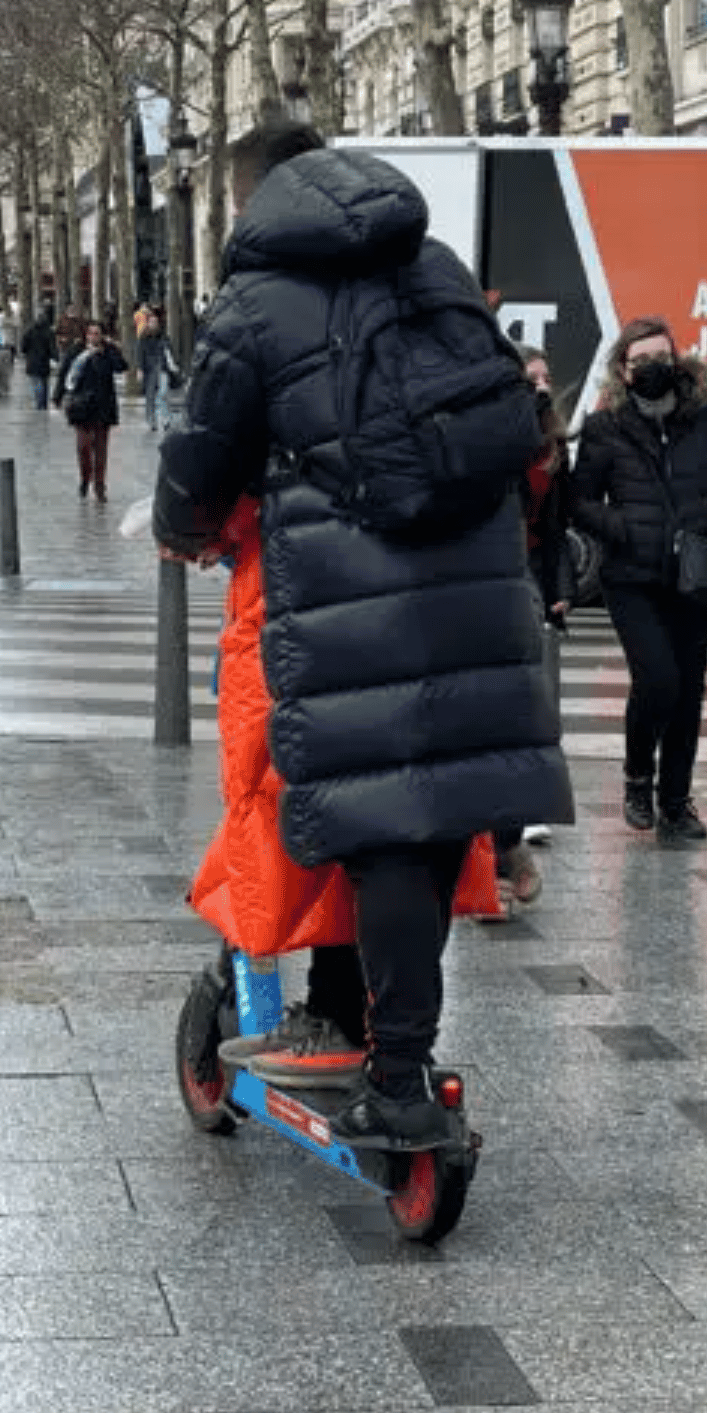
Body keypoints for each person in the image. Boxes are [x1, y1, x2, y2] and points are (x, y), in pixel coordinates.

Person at [154, 121, 572, 1148]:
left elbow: (202, 461)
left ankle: (382, 1072)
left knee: (374, 822)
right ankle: (397, 1061)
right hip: (474, 584)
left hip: (344, 596)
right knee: (429, 827)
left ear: (253, 199)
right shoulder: (435, 268)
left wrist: (185, 534)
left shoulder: (253, 305)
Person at [571, 315, 707, 843]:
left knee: (688, 692)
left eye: (661, 356)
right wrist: (620, 526)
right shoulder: (606, 428)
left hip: (693, 576)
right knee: (657, 681)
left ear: (678, 360)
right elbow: (581, 500)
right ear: (623, 371)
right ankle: (636, 777)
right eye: (641, 360)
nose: (653, 367)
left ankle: (675, 802)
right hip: (631, 577)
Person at [492, 345, 575, 906]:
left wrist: (559, 592)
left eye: (547, 378)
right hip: (481, 587)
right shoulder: (495, 442)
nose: (541, 387)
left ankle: (505, 844)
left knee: (517, 724)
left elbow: (554, 529)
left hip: (523, 589)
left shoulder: (552, 451)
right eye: (530, 378)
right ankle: (496, 853)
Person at [56, 318, 127, 500]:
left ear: (102, 335)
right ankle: (85, 478)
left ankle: (100, 485)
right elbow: (64, 372)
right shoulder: (77, 351)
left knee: (101, 449)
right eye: (90, 333)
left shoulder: (108, 350)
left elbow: (121, 367)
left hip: (103, 406)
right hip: (82, 406)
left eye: (97, 333)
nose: (93, 337)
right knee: (83, 447)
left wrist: (109, 352)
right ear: (85, 335)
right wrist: (58, 395)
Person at [136, 307, 178, 432]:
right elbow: (140, 353)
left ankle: (166, 419)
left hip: (162, 368)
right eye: (151, 322)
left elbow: (169, 352)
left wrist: (172, 365)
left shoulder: (164, 337)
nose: (153, 324)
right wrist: (140, 368)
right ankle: (151, 420)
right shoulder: (143, 338)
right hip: (149, 369)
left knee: (163, 393)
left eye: (155, 322)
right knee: (150, 395)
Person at [20, 306, 56, 410]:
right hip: (44, 360)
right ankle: (43, 403)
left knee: (36, 383)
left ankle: (39, 402)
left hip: (32, 360)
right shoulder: (49, 331)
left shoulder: (30, 330)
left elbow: (24, 345)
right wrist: (54, 357)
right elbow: (52, 347)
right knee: (44, 382)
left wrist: (25, 352)